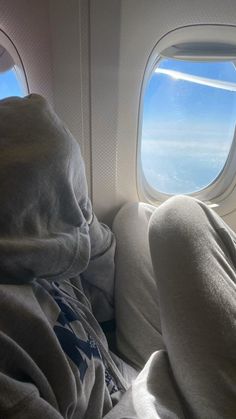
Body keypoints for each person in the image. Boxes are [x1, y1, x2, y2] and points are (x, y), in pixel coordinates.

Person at [0, 94, 235, 419]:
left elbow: (99, 255)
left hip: (122, 367)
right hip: (133, 405)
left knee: (146, 218)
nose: (81, 213)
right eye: (65, 199)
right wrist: (159, 379)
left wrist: (82, 219)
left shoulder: (40, 259)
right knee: (175, 220)